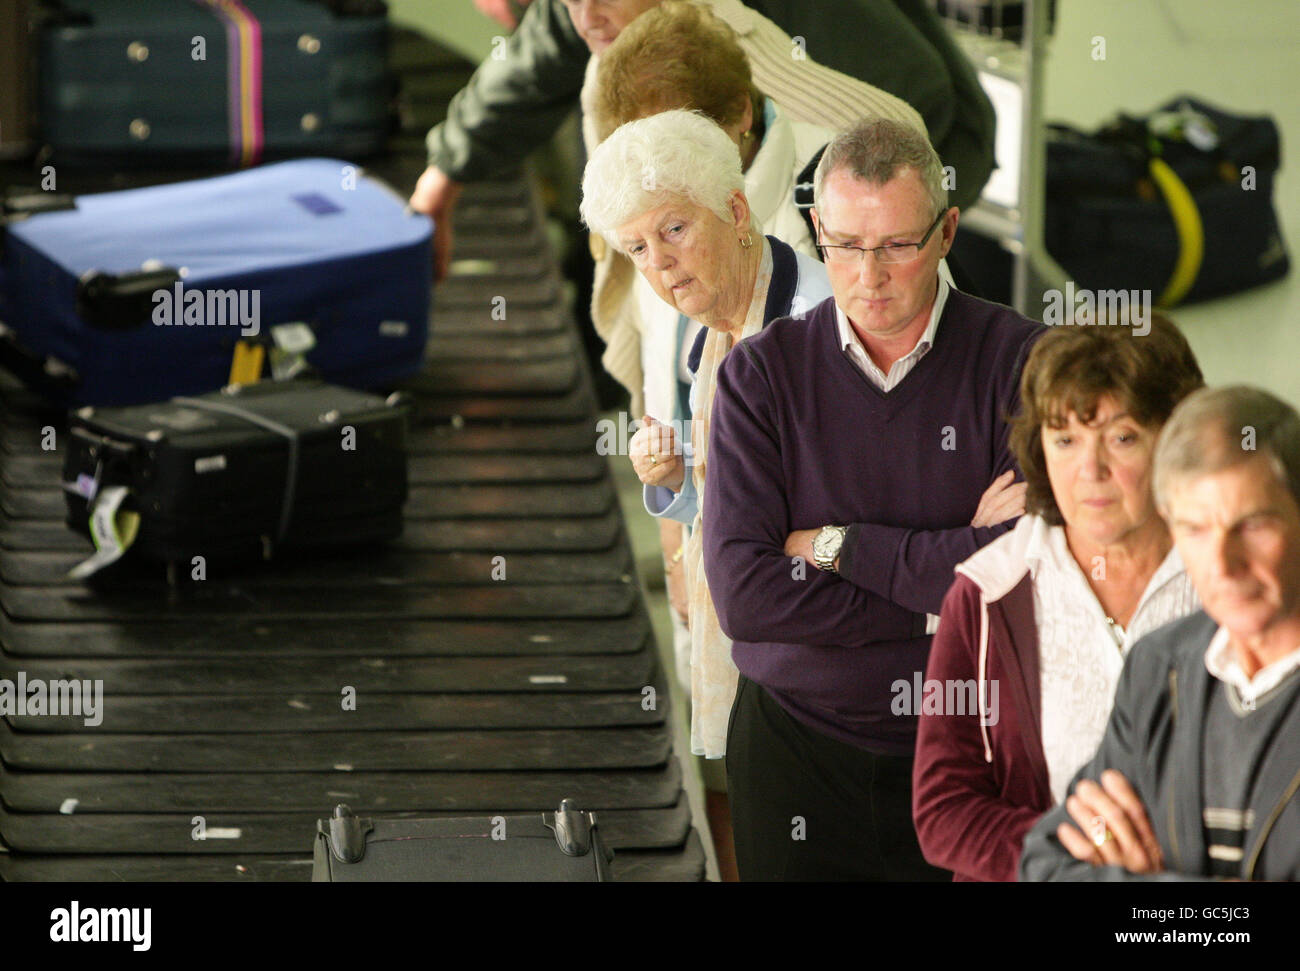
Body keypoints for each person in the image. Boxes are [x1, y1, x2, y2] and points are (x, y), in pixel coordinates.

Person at [702, 117, 1042, 880]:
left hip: (971, 752)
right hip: (793, 753)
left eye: (897, 244)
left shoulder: (1022, 362)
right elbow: (747, 598)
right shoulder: (761, 377)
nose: (869, 275)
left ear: (948, 231)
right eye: (847, 245)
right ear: (818, 228)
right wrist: (944, 581)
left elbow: (1026, 572)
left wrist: (835, 546)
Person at [581, 110, 832, 877]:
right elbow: (736, 499)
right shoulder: (703, 331)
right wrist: (674, 481)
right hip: (756, 657)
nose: (661, 265)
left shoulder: (820, 318)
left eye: (675, 230)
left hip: (830, 669)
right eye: (638, 249)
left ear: (733, 207)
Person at [911, 313, 1205, 882]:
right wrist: (1082, 851)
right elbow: (943, 811)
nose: (1090, 470)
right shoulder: (985, 595)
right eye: (1065, 438)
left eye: (1121, 437)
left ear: (1174, 439)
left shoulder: (1234, 579)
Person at [411, 0, 994, 282]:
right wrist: (443, 176)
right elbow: (536, 59)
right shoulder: (592, 11)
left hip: (933, 143)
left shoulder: (786, 54)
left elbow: (919, 100)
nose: (582, 14)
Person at [1020, 386, 1300, 882]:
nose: (1222, 565)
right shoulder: (1160, 665)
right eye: (1195, 529)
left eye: (1252, 524)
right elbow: (1044, 865)